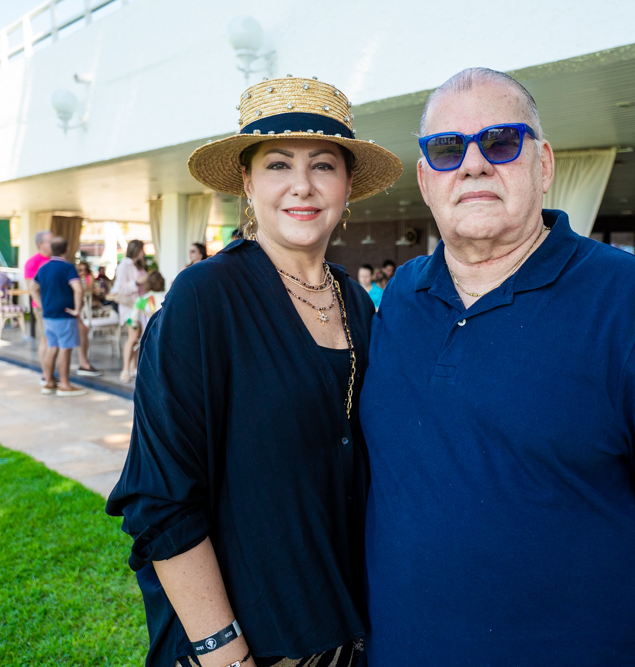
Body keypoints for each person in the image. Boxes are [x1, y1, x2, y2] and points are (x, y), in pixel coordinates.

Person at [360, 67, 635, 666]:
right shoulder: (401, 298)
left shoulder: (634, 304)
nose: (473, 164)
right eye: (447, 148)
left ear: (543, 165)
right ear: (425, 179)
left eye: (500, 142)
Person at [106, 77, 402, 667]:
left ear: (347, 185)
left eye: (323, 165)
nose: (302, 185)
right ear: (247, 182)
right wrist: (224, 652)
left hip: (350, 630)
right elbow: (160, 498)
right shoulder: (204, 300)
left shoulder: (356, 302)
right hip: (252, 645)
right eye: (278, 165)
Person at [28, 236, 88, 397]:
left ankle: (49, 383)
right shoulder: (68, 268)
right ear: (67, 249)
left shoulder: (44, 268)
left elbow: (32, 288)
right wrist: (77, 310)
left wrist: (41, 305)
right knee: (65, 349)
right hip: (65, 315)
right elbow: (78, 289)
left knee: (52, 347)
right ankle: (65, 386)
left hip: (49, 316)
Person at [120, 271, 167, 383]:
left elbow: (133, 319)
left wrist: (135, 328)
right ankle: (133, 368)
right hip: (165, 335)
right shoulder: (168, 297)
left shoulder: (142, 300)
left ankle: (126, 370)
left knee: (132, 338)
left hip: (149, 335)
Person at [24, 231, 53, 369]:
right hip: (43, 306)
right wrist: (42, 306)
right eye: (50, 241)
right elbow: (31, 288)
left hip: (57, 306)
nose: (53, 244)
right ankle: (46, 373)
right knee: (46, 339)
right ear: (40, 244)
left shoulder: (55, 260)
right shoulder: (33, 262)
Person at [110, 240, 147, 326]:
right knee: (133, 332)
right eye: (142, 250)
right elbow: (121, 289)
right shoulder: (123, 266)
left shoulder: (139, 265)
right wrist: (136, 282)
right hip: (131, 307)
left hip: (142, 305)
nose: (144, 253)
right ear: (136, 250)